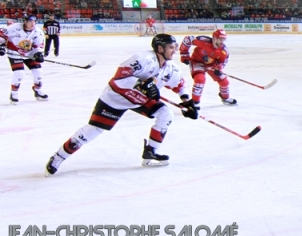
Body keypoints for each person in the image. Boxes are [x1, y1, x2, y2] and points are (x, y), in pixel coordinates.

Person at [44, 34, 198, 176]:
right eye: (171, 47)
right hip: (117, 97)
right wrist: (140, 83)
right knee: (94, 130)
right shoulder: (143, 59)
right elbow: (118, 78)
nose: (174, 50)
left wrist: (187, 103)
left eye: (175, 47)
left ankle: (150, 152)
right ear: (160, 48)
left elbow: (179, 84)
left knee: (166, 113)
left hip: (140, 99)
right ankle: (59, 157)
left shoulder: (170, 68)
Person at [179, 29, 237, 106]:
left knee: (224, 81)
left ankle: (225, 98)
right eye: (220, 39)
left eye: (223, 39)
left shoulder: (224, 51)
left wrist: (218, 68)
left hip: (211, 65)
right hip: (197, 62)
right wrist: (184, 54)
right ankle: (195, 102)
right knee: (200, 80)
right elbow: (188, 39)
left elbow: (223, 62)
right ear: (215, 38)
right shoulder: (203, 41)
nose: (222, 41)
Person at [0, 15, 47, 104]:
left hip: (29, 54)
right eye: (30, 21)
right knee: (19, 73)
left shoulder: (38, 32)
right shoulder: (14, 27)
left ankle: (38, 90)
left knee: (38, 72)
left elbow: (39, 45)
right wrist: (1, 46)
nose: (33, 23)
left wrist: (38, 54)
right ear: (25, 22)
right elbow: (1, 34)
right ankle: (14, 94)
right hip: (15, 54)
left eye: (34, 21)